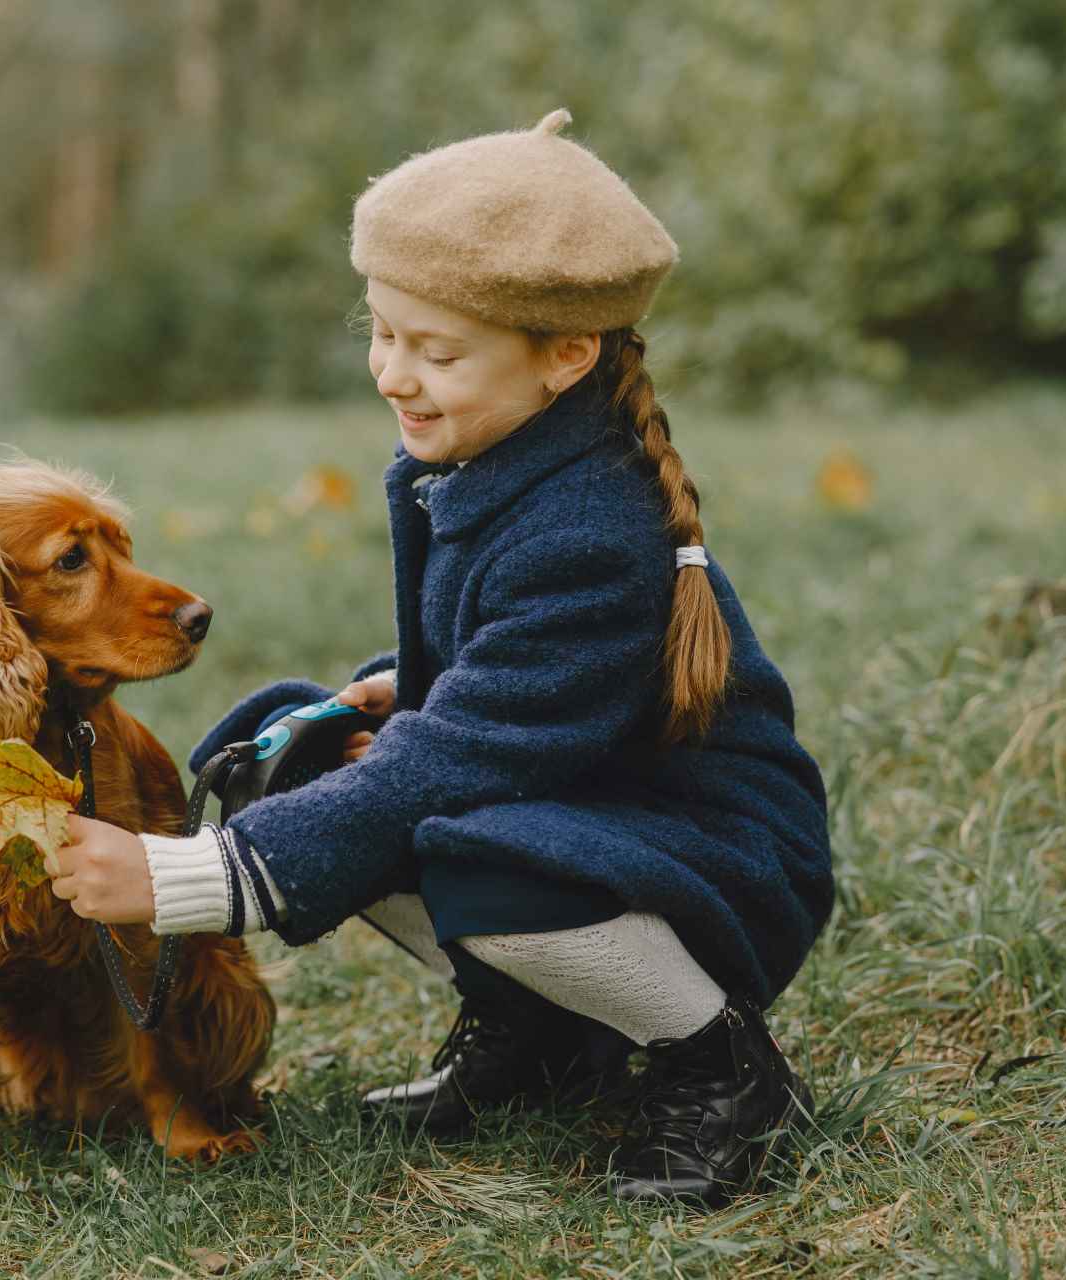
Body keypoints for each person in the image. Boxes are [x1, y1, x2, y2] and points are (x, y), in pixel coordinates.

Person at [47, 108, 834, 1206]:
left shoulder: (591, 527)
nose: (392, 373)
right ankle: (543, 1035)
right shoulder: (487, 449)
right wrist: (397, 688)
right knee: (308, 751)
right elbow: (509, 672)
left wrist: (191, 875)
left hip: (721, 860)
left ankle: (719, 1062)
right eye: (381, 332)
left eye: (436, 350)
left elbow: (466, 756)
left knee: (471, 848)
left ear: (567, 354)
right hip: (595, 800)